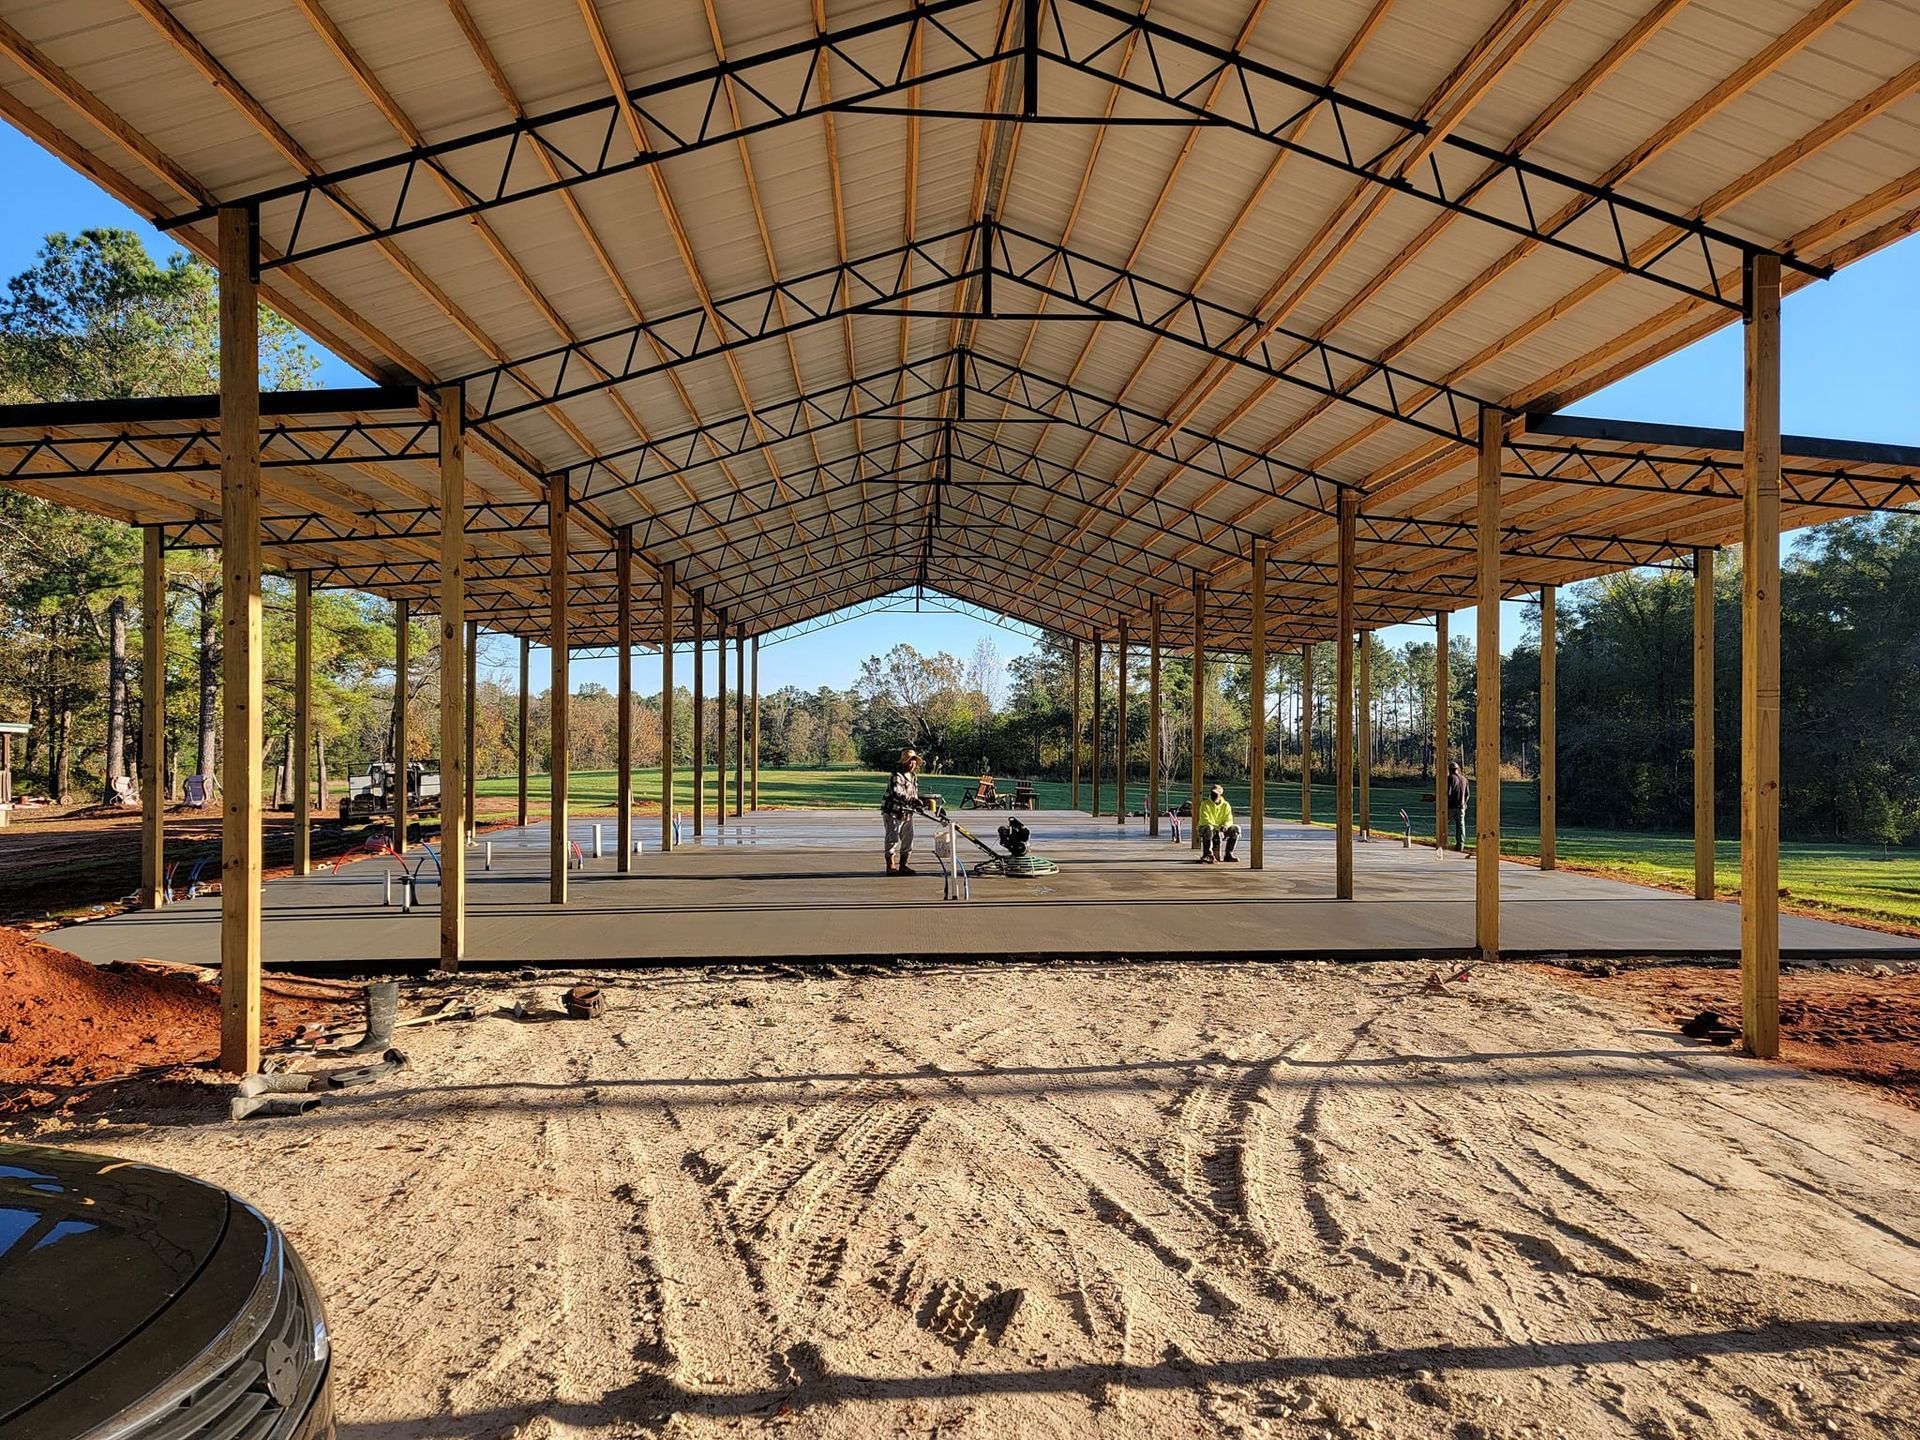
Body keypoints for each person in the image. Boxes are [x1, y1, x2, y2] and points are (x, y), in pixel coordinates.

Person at [882, 747, 925, 875]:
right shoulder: (897, 776)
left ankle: (904, 865)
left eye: (914, 761)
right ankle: (891, 866)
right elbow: (897, 793)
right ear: (904, 762)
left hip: (907, 812)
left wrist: (919, 802)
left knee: (908, 838)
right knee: (892, 838)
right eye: (909, 761)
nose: (912, 764)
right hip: (893, 811)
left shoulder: (913, 776)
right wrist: (912, 801)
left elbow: (913, 794)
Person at [1195, 784, 1240, 863]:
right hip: (1206, 829)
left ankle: (1229, 854)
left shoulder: (1226, 805)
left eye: (1216, 794)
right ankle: (1207, 854)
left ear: (1220, 794)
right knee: (1209, 827)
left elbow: (1229, 819)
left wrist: (1226, 826)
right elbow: (1205, 820)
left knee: (1236, 829)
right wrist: (1218, 828)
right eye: (1212, 793)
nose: (1213, 795)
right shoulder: (1205, 804)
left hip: (1222, 829)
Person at [1446, 759, 1469, 852]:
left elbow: (1447, 792)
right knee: (1461, 826)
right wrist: (1464, 803)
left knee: (1442, 823)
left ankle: (1441, 842)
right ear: (1457, 769)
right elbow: (1467, 795)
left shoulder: (1450, 778)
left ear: (1450, 769)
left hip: (1451, 806)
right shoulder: (1464, 779)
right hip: (1461, 807)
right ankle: (1460, 845)